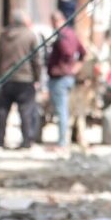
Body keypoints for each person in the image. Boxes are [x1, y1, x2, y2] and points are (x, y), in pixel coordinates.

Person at [0, 10, 41, 149]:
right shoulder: (30, 36)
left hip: (5, 78)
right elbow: (36, 59)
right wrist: (37, 78)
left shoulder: (3, 35)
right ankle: (27, 142)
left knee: (1, 112)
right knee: (26, 112)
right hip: (25, 79)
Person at [46, 10, 86, 150]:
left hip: (61, 77)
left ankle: (62, 142)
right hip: (66, 77)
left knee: (61, 110)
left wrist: (73, 67)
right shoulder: (71, 34)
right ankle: (68, 139)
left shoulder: (64, 35)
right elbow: (82, 52)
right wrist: (75, 67)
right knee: (65, 109)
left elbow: (69, 52)